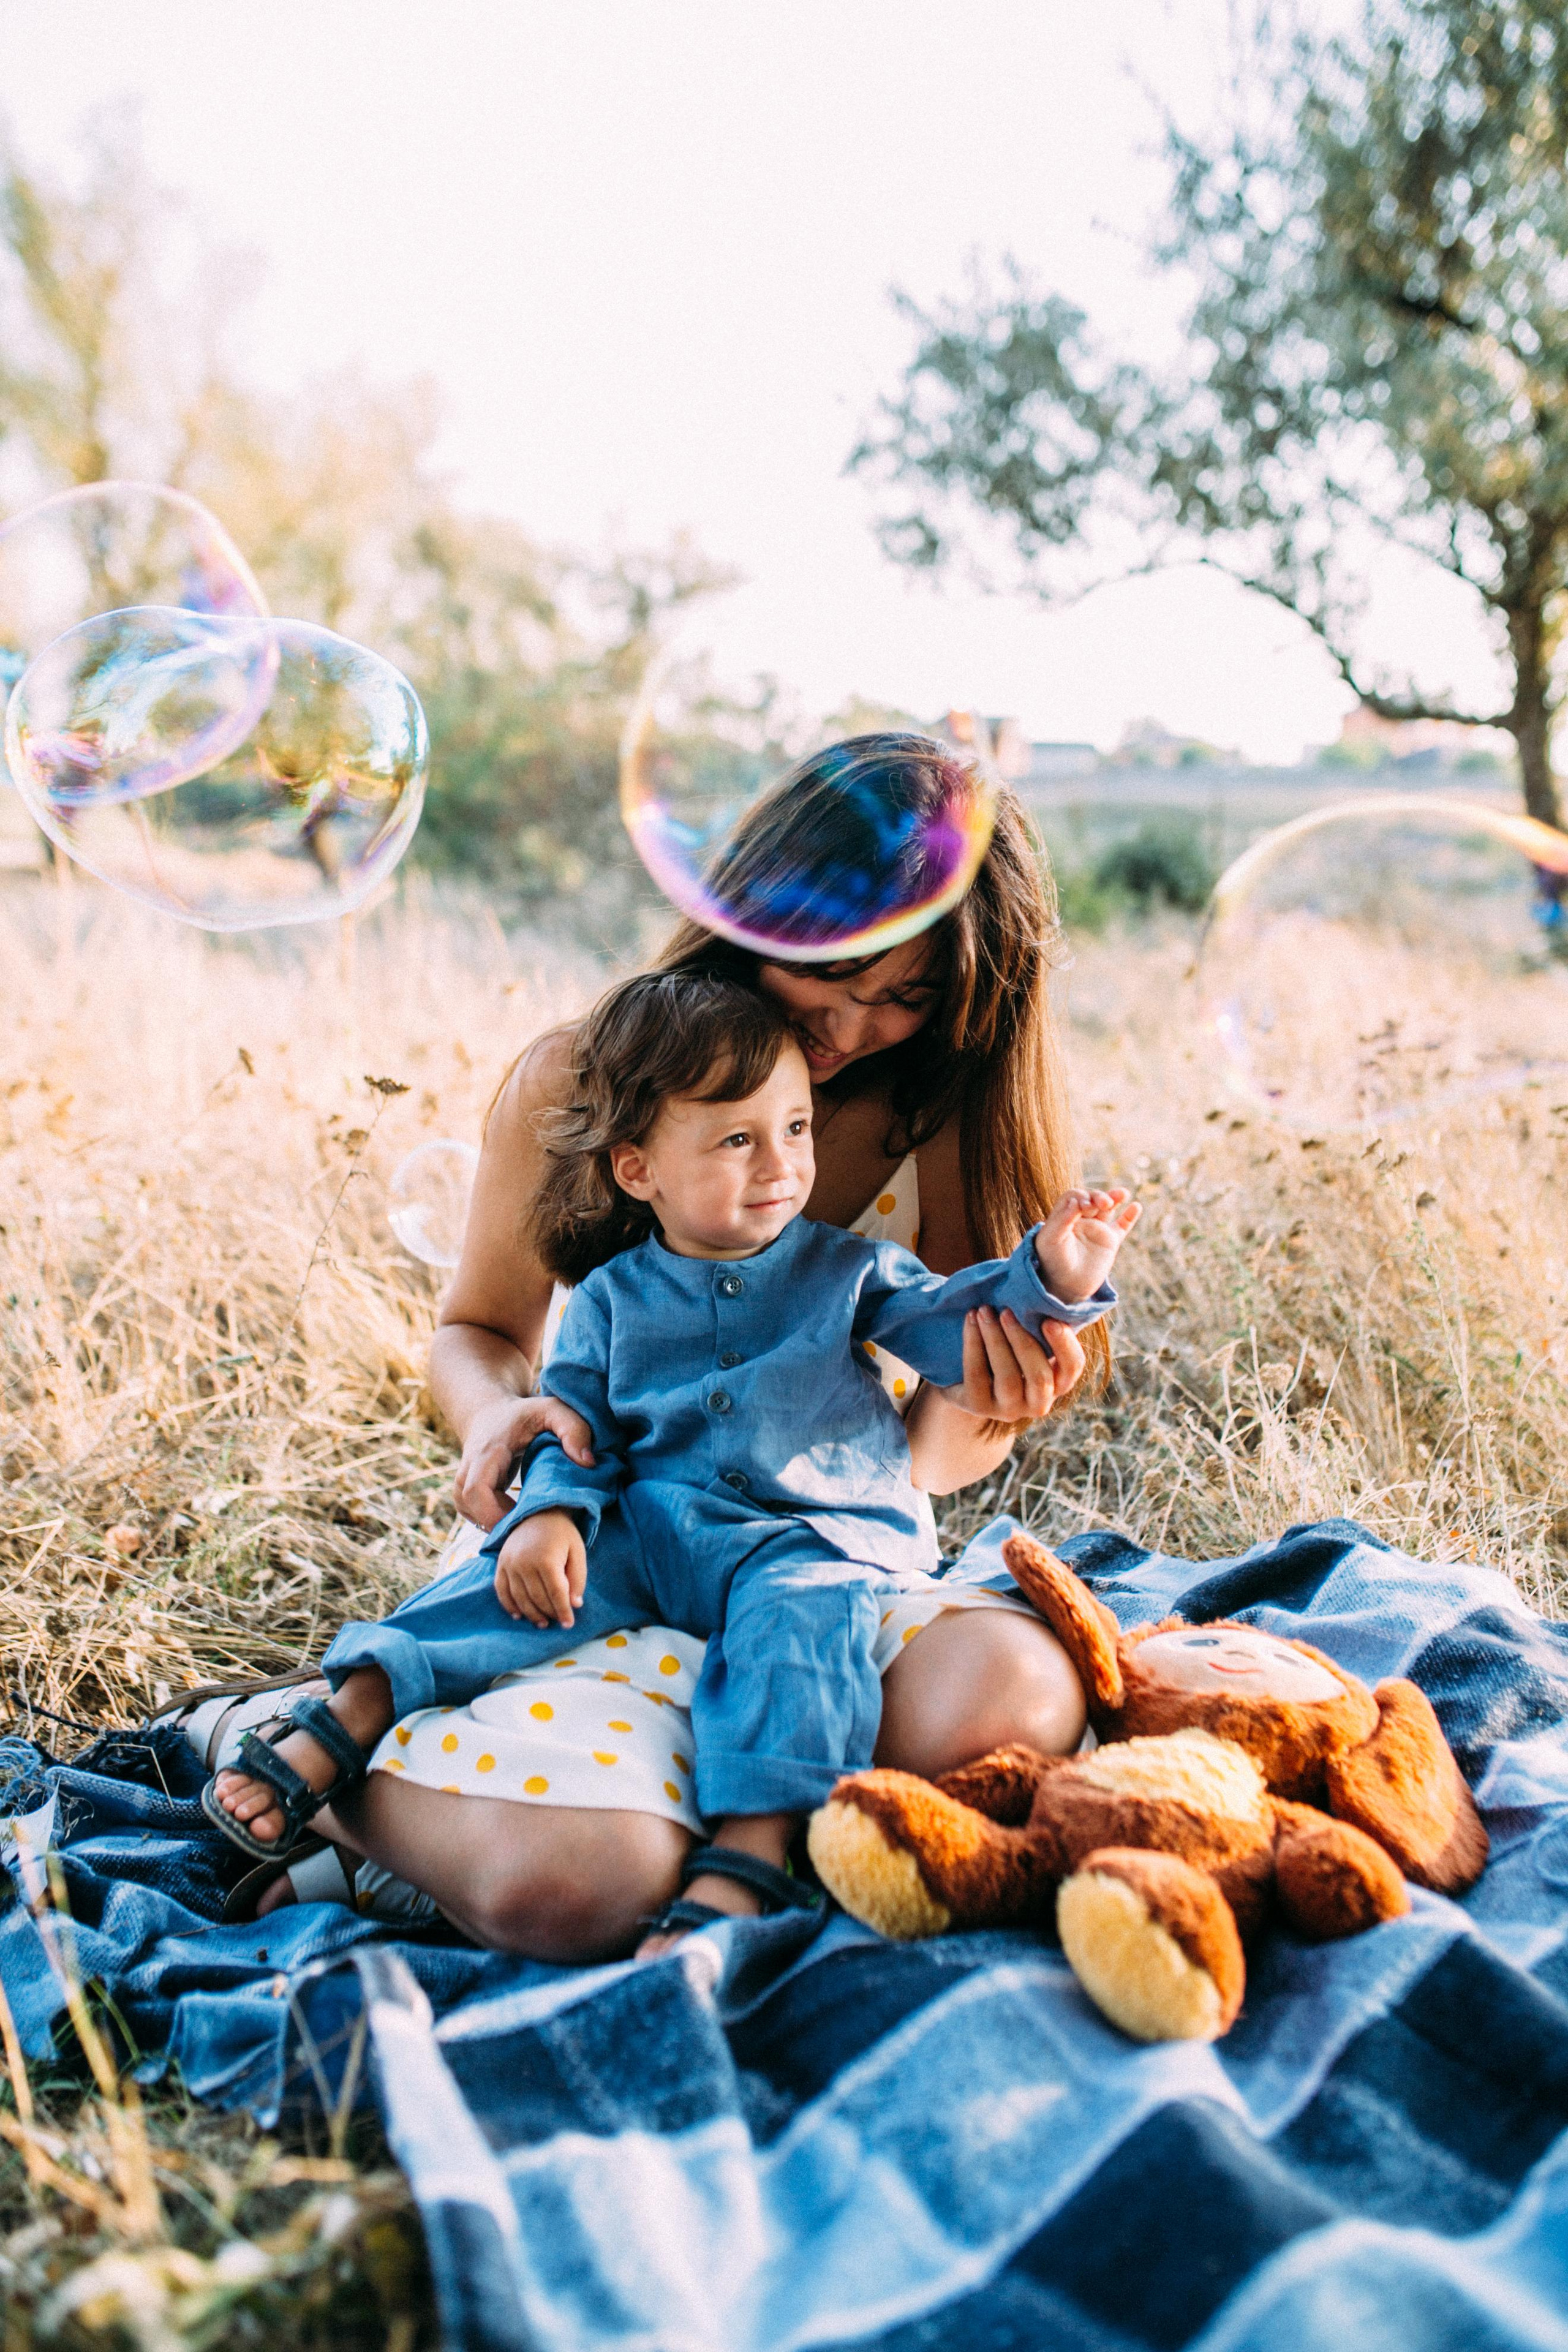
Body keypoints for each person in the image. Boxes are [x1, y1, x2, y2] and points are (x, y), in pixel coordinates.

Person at [207, 733, 1121, 1956]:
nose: (853, 1027)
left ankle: (683, 1819)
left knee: (1016, 1701)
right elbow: (477, 1334)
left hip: (810, 1558)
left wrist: (990, 1394)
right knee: (582, 1888)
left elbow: (922, 1458)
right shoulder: (579, 1086)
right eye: (835, 974)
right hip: (591, 1538)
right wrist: (496, 1419)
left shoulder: (934, 1117)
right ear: (759, 913)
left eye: (904, 997)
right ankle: (310, 1749)